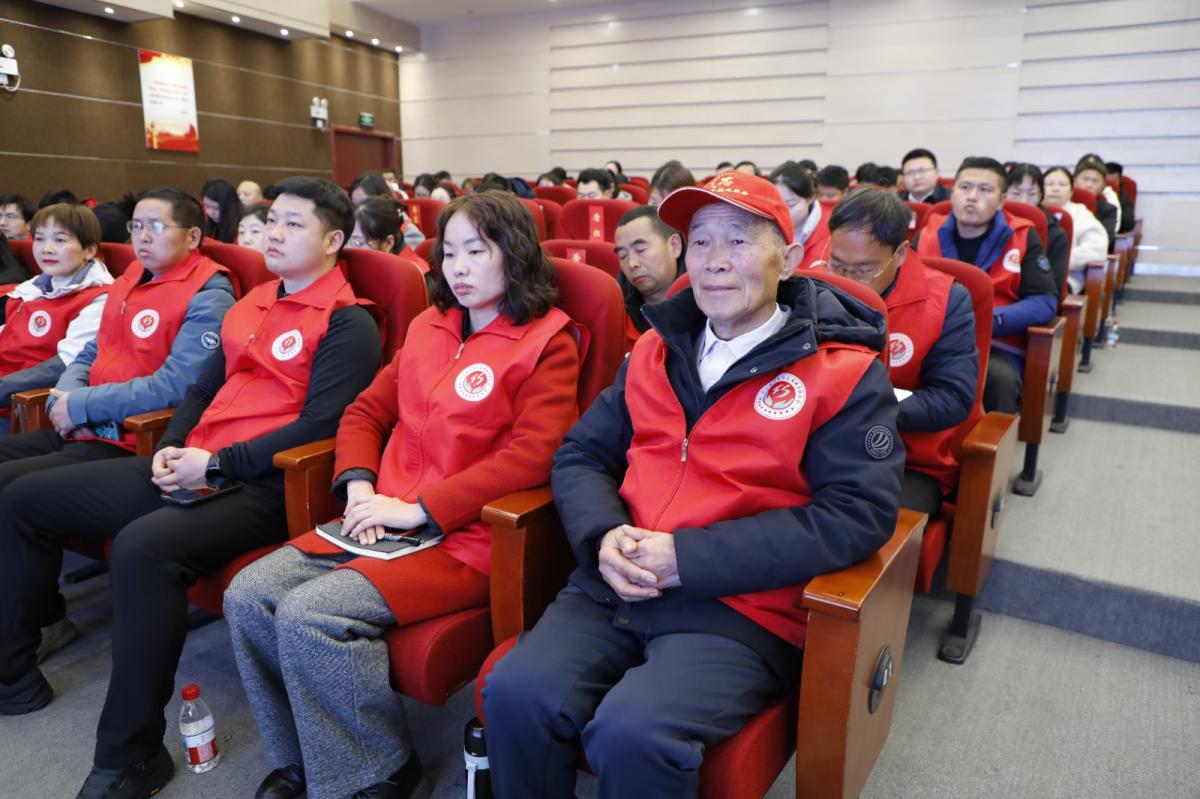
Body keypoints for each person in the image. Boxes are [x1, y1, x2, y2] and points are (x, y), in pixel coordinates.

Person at [482, 170, 904, 798]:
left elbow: (856, 515)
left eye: (738, 240)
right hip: (617, 583)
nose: (715, 261)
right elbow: (581, 455)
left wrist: (689, 557)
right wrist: (604, 534)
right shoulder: (653, 352)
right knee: (516, 693)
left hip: (738, 606)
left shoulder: (844, 375)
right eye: (700, 241)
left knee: (633, 733)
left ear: (789, 259)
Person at [0, 176, 381, 799]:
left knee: (141, 548)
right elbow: (202, 387)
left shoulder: (348, 321)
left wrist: (218, 464)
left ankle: (131, 755)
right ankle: (15, 675)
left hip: (267, 485)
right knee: (23, 499)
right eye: (272, 221)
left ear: (334, 240)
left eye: (293, 224)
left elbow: (322, 425)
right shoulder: (254, 302)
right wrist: (173, 445)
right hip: (194, 463)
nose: (275, 234)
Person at [222, 190, 581, 799]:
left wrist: (419, 509)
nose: (458, 268)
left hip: (465, 537)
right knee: (248, 593)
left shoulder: (547, 340)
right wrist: (359, 485)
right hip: (381, 518)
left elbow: (533, 456)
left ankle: (379, 768)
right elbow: (365, 412)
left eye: (477, 251)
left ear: (515, 254)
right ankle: (303, 758)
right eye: (450, 253)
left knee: (312, 612)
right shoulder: (427, 326)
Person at [0, 185, 235, 691]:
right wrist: (66, 396)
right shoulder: (130, 278)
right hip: (81, 424)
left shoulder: (209, 293)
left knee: (16, 494)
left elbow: (178, 385)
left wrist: (84, 405)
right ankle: (40, 617)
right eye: (136, 227)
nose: (142, 237)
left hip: (129, 441)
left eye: (157, 227)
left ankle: (16, 668)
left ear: (193, 236)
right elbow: (90, 352)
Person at [823, 190, 976, 518]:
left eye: (864, 270)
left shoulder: (946, 300)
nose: (846, 282)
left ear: (901, 253)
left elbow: (952, 399)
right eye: (838, 265)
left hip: (905, 457)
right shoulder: (816, 285)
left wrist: (864, 405)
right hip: (818, 448)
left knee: (862, 527)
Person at [912, 157, 1058, 413]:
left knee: (999, 381)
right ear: (952, 192)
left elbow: (1044, 302)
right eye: (965, 187)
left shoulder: (1022, 235)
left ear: (1002, 201)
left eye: (985, 189)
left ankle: (992, 440)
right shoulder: (927, 233)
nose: (972, 196)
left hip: (993, 345)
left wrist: (990, 320)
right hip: (930, 341)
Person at [0, 204, 113, 436]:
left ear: (89, 250)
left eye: (60, 240)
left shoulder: (100, 298)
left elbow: (65, 365)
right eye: (40, 239)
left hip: (26, 404)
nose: (46, 249)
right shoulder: (32, 287)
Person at [613, 206, 684, 351]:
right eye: (622, 256)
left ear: (674, 246)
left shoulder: (707, 307)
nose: (632, 264)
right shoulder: (616, 312)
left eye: (641, 250)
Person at [1006, 164, 1070, 297]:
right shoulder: (989, 223)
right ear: (1003, 194)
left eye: (1032, 194)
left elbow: (1054, 291)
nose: (1023, 201)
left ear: (1041, 196)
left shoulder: (1055, 234)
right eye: (1016, 193)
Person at [1043, 166, 1108, 293]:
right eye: (1049, 184)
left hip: (1067, 277)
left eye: (1062, 184)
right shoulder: (1032, 212)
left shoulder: (1081, 213)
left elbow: (1096, 250)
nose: (1055, 188)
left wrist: (1056, 262)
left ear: (1071, 192)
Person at [770, 162, 828, 269]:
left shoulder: (829, 233)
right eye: (776, 205)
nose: (783, 212)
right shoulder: (763, 223)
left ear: (811, 198)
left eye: (790, 204)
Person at [1072, 157, 1118, 250]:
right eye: (1085, 179)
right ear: (1074, 181)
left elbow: (1106, 239)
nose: (1089, 185)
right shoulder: (1065, 204)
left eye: (1095, 181)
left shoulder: (1108, 210)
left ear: (1103, 185)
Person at [201, 177, 240, 243]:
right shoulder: (204, 217)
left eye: (216, 208)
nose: (210, 212)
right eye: (207, 206)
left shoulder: (240, 227)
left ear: (229, 206)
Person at [1104, 161, 1136, 233]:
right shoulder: (1096, 196)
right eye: (1108, 183)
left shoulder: (1124, 198)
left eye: (1113, 182)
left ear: (1120, 180)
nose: (1111, 187)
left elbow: (1129, 224)